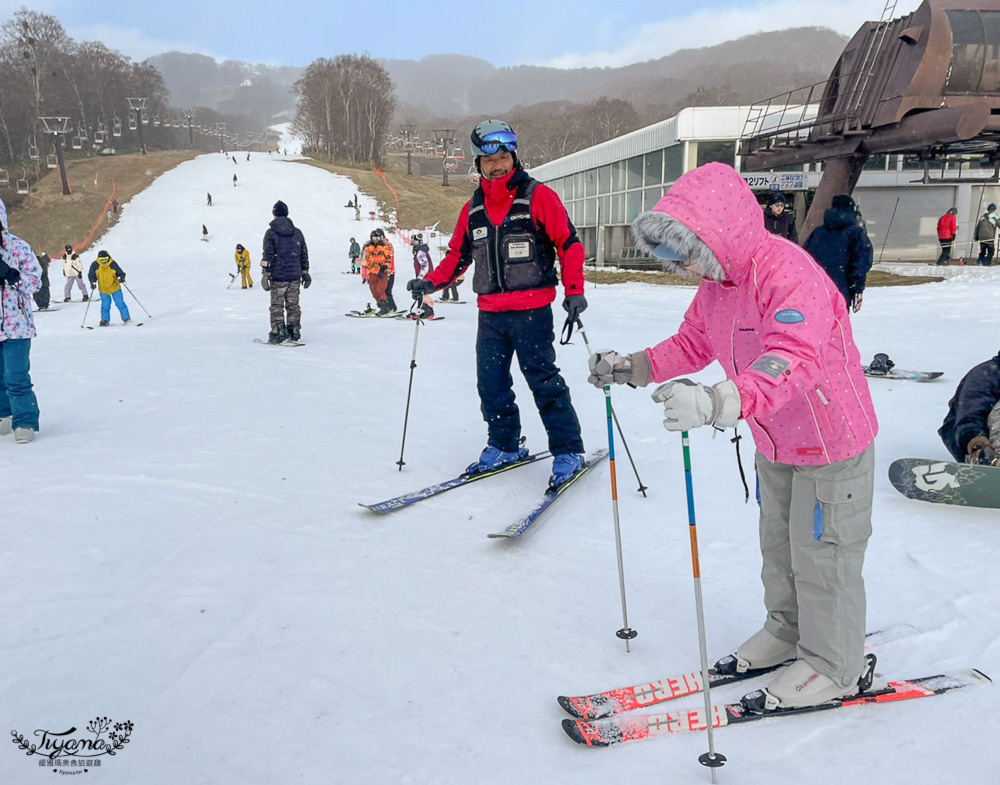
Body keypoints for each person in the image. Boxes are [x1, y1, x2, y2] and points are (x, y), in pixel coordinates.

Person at [587, 162, 879, 710]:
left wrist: (719, 401)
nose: (684, 269)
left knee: (824, 554)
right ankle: (788, 630)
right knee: (780, 546)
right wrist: (633, 367)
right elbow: (692, 343)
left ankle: (834, 664)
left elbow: (792, 358)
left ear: (719, 235)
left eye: (687, 253)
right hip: (775, 439)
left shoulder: (788, 273)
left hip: (829, 440)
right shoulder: (719, 283)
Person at [407, 119, 587, 488]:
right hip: (491, 315)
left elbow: (568, 243)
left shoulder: (538, 197)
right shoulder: (472, 210)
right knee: (490, 384)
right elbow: (457, 256)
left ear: (513, 156)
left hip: (532, 311)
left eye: (504, 156)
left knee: (543, 380)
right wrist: (431, 282)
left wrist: (574, 291)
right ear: (478, 164)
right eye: (489, 160)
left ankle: (568, 450)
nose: (498, 165)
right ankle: (505, 445)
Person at [0, 196, 42, 444]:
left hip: (16, 325)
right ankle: (3, 415)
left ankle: (25, 420)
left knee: (16, 376)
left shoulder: (18, 248)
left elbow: (35, 283)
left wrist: (12, 276)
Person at [802, 194, 873, 313]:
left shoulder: (818, 233)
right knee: (838, 325)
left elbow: (805, 260)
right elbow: (862, 262)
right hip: (841, 288)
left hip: (816, 288)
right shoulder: (856, 233)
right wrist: (857, 288)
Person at [939, 350, 1000, 466]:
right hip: (973, 440)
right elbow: (970, 416)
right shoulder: (986, 375)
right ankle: (992, 463)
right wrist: (979, 446)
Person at [261, 200, 310, 343]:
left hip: (278, 276)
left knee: (277, 305)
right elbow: (303, 253)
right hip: (295, 276)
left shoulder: (271, 233)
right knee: (293, 305)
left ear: (274, 214)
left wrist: (265, 273)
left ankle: (278, 332)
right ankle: (293, 330)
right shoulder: (297, 232)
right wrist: (305, 271)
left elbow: (268, 255)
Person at [87, 250, 131, 326]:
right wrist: (92, 282)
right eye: (102, 260)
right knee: (105, 305)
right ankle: (105, 320)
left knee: (120, 303)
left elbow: (120, 272)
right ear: (98, 258)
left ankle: (126, 318)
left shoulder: (112, 264)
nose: (104, 261)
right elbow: (91, 275)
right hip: (103, 289)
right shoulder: (95, 265)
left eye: (105, 259)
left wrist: (121, 277)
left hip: (115, 288)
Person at [362, 228, 394, 315]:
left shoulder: (384, 247)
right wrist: (366, 271)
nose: (376, 240)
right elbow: (365, 259)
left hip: (382, 272)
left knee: (380, 289)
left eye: (377, 238)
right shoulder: (368, 247)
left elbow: (389, 259)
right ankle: (381, 305)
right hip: (372, 272)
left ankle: (385, 306)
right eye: (374, 238)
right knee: (373, 290)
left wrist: (384, 268)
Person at [410, 232, 435, 319]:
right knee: (421, 294)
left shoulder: (420, 252)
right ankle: (425, 311)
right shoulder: (420, 251)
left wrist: (420, 278)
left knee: (421, 293)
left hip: (425, 277)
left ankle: (425, 312)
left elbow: (425, 266)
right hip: (427, 276)